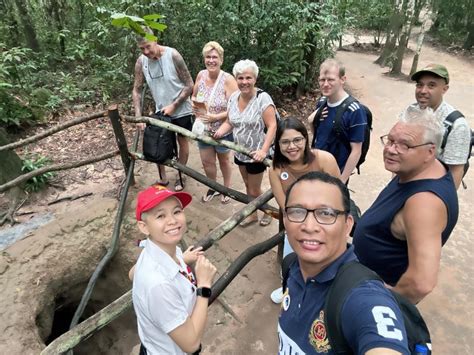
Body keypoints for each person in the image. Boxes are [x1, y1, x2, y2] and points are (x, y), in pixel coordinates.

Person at [278, 171, 409, 354]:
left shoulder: (363, 297)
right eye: (297, 211)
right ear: (285, 219)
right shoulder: (291, 266)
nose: (309, 226)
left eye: (326, 213)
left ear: (347, 225)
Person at [353, 107, 459, 304]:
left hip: (371, 298)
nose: (391, 149)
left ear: (430, 152)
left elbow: (421, 283)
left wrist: (381, 302)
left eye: (405, 145)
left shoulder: (424, 203)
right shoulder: (418, 169)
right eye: (391, 140)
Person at [132, 184, 217, 354]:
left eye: (177, 211)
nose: (172, 221)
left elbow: (131, 274)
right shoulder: (159, 286)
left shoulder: (159, 247)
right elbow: (192, 344)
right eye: (160, 216)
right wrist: (204, 286)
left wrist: (181, 259)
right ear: (143, 227)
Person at [268, 117, 340, 303]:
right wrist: (298, 225)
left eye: (297, 140)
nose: (292, 146)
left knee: (326, 260)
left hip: (326, 220)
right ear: (278, 144)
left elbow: (339, 195)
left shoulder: (324, 159)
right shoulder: (276, 169)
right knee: (292, 259)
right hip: (296, 221)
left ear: (306, 139)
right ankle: (289, 288)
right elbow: (284, 205)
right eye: (285, 142)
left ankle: (322, 294)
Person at [214, 59, 277, 227]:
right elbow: (230, 121)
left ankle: (268, 211)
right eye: (240, 78)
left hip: (257, 153)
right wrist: (220, 131)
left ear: (255, 79)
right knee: (248, 185)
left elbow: (272, 126)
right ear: (236, 79)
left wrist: (263, 150)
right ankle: (253, 214)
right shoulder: (234, 97)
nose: (244, 82)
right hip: (240, 151)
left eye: (248, 78)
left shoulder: (262, 98)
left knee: (254, 189)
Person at [132, 28, 194, 191]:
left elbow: (189, 84)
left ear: (155, 40)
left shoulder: (173, 55)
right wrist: (138, 116)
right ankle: (163, 178)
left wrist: (174, 105)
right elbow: (136, 89)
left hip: (181, 109)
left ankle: (181, 174)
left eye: (148, 46)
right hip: (161, 110)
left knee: (182, 142)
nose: (146, 51)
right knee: (157, 143)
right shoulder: (141, 62)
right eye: (142, 49)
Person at [406, 63, 471, 189]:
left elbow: (456, 171)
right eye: (420, 85)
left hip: (431, 188)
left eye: (431, 85)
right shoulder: (410, 111)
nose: (423, 91)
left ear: (445, 89)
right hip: (406, 180)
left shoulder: (456, 125)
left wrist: (443, 203)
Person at [191, 41, 238, 203]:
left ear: (221, 60)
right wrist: (194, 106)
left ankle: (226, 189)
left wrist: (215, 117)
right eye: (208, 57)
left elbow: (236, 109)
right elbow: (194, 96)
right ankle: (213, 187)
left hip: (222, 129)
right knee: (207, 161)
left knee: (224, 160)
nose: (211, 60)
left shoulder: (228, 80)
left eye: (214, 57)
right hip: (203, 128)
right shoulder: (201, 75)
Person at [307, 59, 368, 184]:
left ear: (342, 79)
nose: (325, 84)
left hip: (336, 172)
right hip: (317, 166)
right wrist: (312, 121)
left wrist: (342, 180)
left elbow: (356, 150)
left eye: (331, 79)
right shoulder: (322, 102)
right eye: (322, 80)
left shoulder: (354, 111)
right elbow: (318, 135)